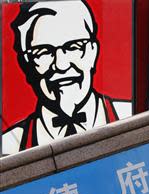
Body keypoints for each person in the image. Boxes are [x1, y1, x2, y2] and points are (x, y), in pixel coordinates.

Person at [3, 0, 132, 156]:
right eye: (43, 52)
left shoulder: (130, 118)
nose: (61, 65)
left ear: (93, 52)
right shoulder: (10, 143)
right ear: (27, 63)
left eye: (73, 47)